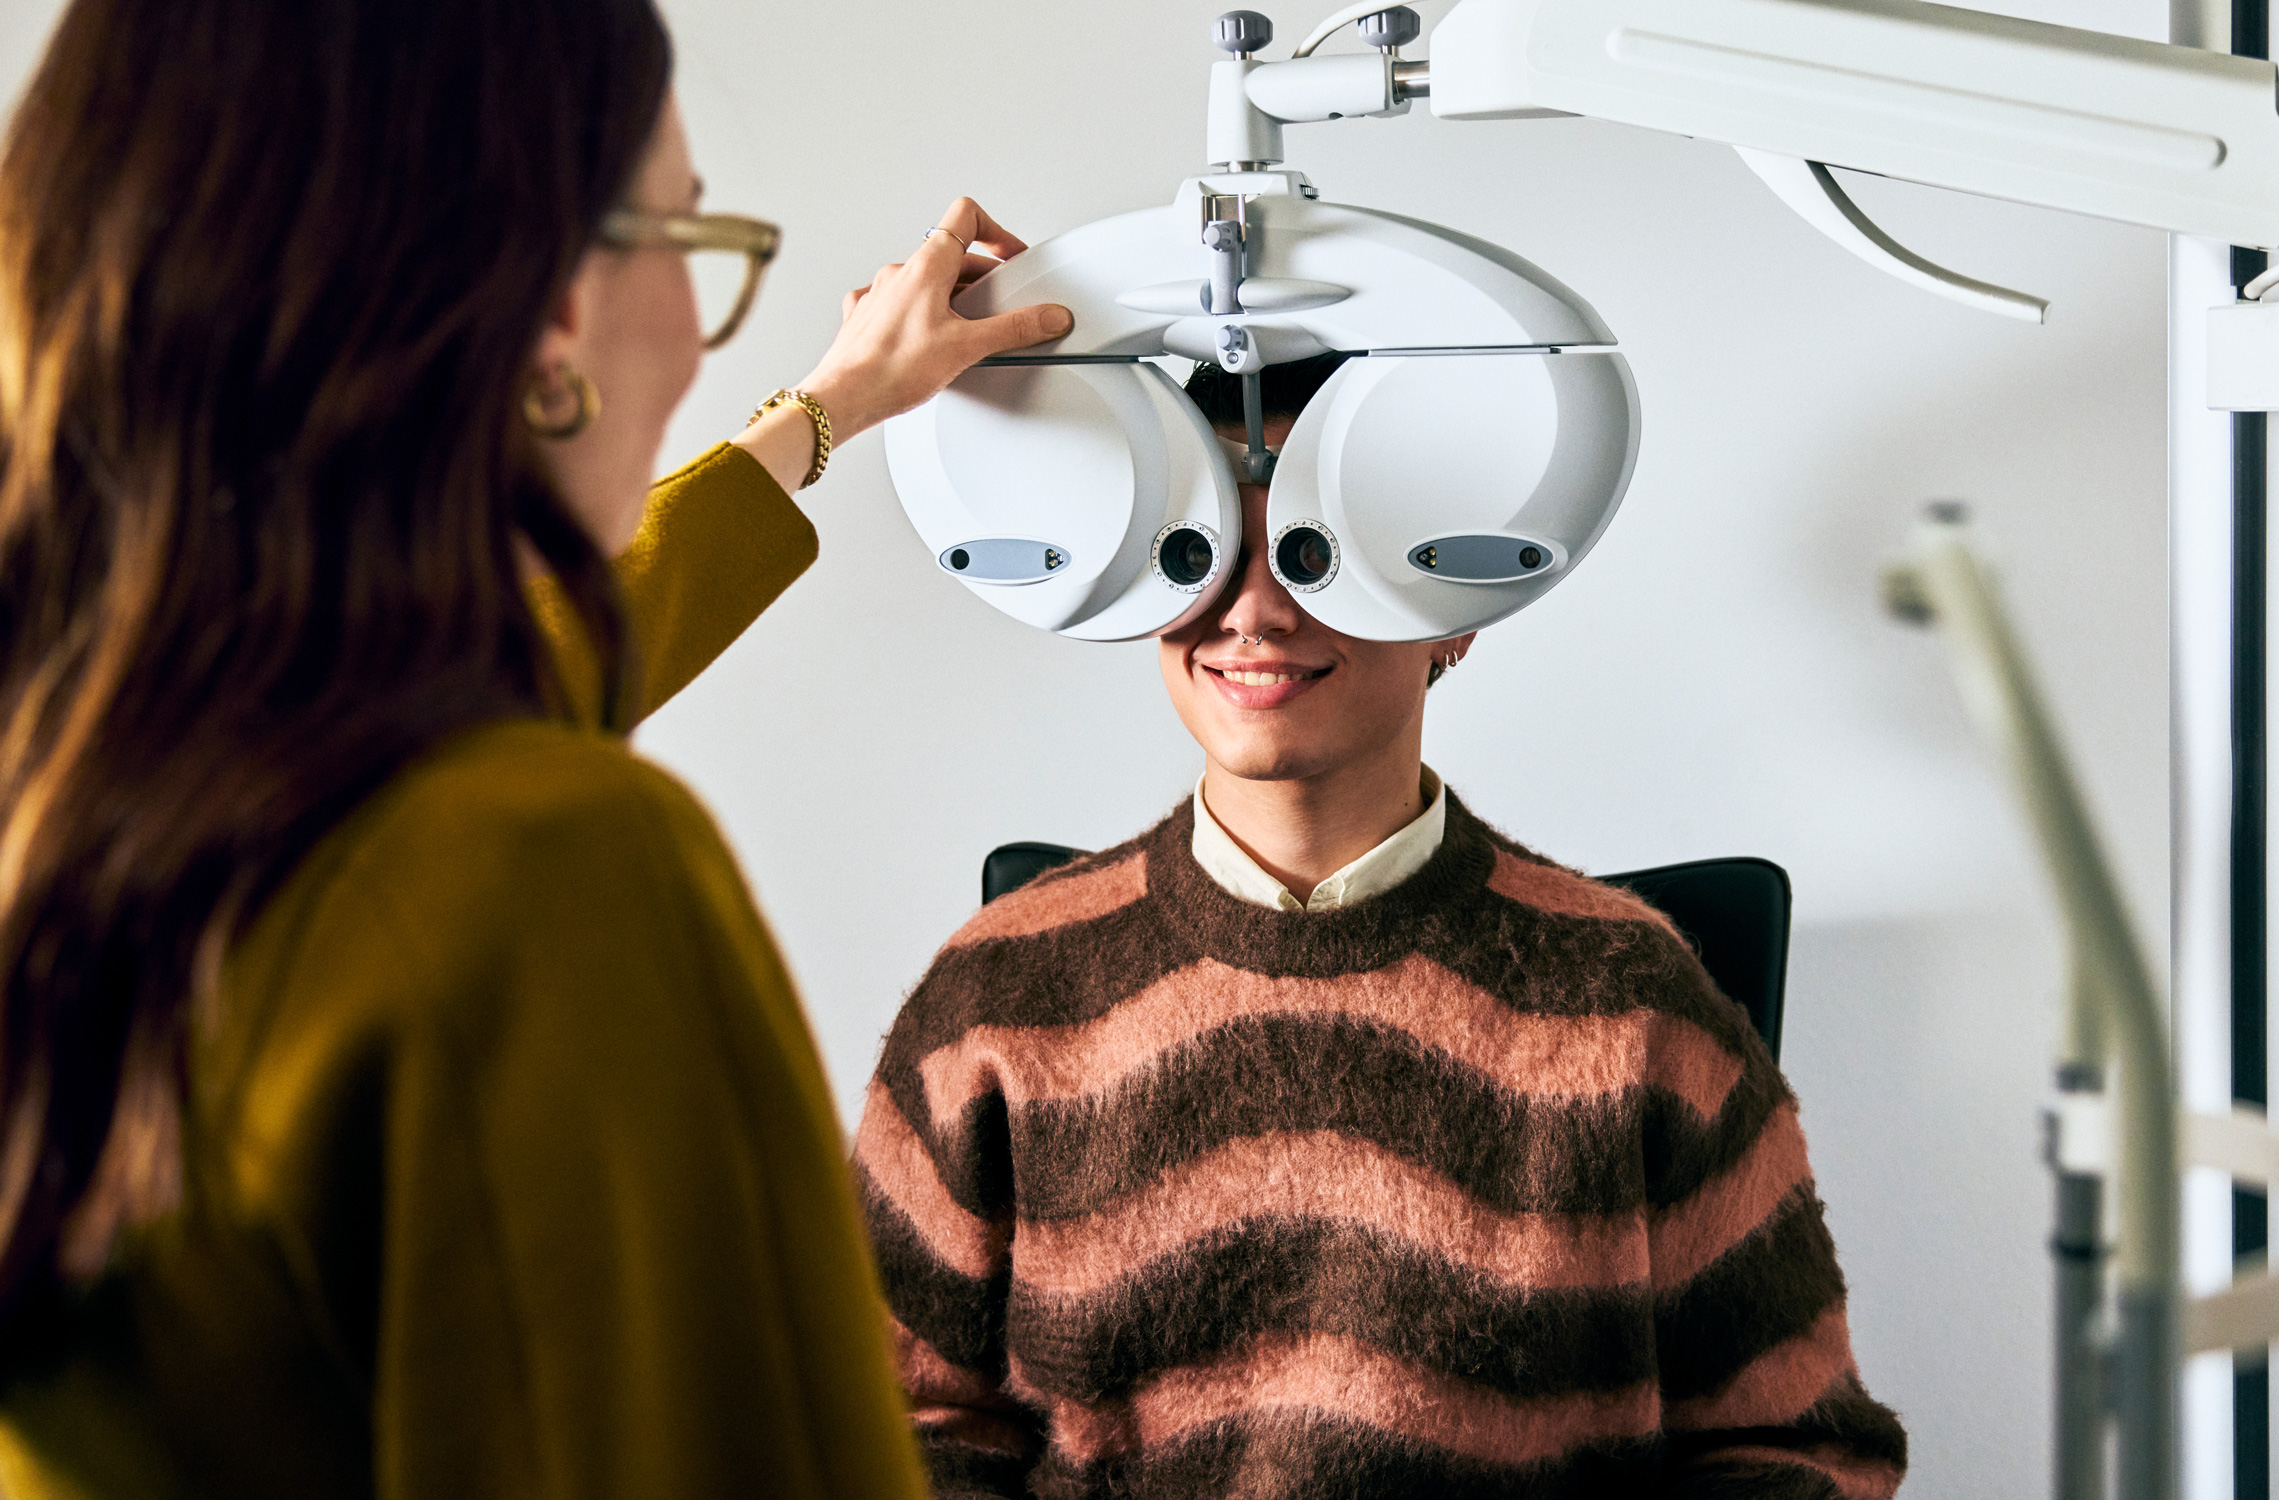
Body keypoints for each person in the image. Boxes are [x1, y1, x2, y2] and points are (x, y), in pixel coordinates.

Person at [0, 1, 1068, 1495]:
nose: (693, 339)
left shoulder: (94, 781)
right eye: (689, 242)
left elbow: (499, 674)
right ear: (558, 310)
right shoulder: (545, 872)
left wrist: (828, 410)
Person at [852, 353, 1911, 1499]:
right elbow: (890, 1423)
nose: (1254, 612)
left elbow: (1798, 1446)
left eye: (1318, 556)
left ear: (1456, 612)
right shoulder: (997, 993)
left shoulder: (1631, 998)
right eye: (1198, 554)